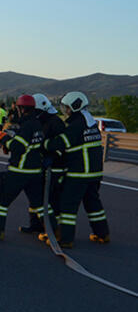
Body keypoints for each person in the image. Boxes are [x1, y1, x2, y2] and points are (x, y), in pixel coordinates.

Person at [43, 91, 109, 248]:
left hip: (79, 173)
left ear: (74, 106)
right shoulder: (91, 122)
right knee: (93, 204)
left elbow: (61, 143)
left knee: (68, 206)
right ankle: (102, 234)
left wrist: (45, 144)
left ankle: (65, 239)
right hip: (95, 173)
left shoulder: (76, 124)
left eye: (66, 108)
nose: (65, 111)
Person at [0, 95, 49, 241]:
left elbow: (18, 146)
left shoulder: (26, 125)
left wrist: (4, 139)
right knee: (39, 204)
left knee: (0, 200)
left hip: (19, 171)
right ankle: (54, 230)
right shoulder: (37, 124)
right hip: (35, 172)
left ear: (21, 108)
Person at [18, 93, 66, 234]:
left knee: (52, 200)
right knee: (36, 198)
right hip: (40, 166)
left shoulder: (56, 123)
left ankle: (53, 230)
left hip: (55, 167)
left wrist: (52, 156)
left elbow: (62, 145)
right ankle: (36, 225)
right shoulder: (37, 121)